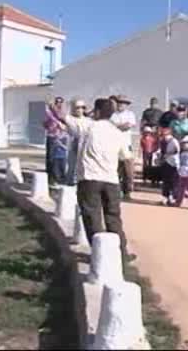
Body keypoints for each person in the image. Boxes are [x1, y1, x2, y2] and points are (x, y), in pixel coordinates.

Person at [74, 98, 134, 263]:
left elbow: (68, 120)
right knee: (113, 217)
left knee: (92, 216)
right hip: (111, 179)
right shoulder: (117, 132)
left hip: (90, 178)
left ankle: (99, 254)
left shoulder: (87, 127)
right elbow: (127, 158)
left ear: (97, 112)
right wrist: (129, 183)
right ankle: (121, 253)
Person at [110, 95, 136, 199]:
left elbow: (129, 125)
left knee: (128, 170)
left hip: (126, 144)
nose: (121, 104)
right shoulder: (113, 115)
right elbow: (111, 126)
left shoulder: (130, 114)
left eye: (123, 103)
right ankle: (116, 191)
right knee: (116, 170)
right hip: (114, 144)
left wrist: (117, 127)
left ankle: (127, 191)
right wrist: (120, 126)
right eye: (119, 102)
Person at [63, 98, 91, 186]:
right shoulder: (69, 118)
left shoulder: (88, 121)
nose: (80, 110)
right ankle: (70, 183)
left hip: (85, 146)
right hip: (72, 145)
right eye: (77, 107)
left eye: (83, 107)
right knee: (72, 165)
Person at [44, 96, 66, 186]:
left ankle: (59, 176)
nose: (59, 104)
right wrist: (50, 126)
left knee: (61, 158)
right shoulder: (48, 113)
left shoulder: (62, 113)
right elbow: (44, 124)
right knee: (51, 157)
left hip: (62, 137)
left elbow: (62, 118)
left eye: (61, 102)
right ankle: (50, 177)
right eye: (57, 102)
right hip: (52, 136)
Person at [158, 127, 180, 206]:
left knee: (173, 182)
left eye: (165, 134)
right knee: (165, 181)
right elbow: (161, 151)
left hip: (173, 163)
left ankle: (173, 198)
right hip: (165, 163)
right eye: (162, 134)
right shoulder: (162, 142)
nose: (164, 136)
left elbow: (177, 151)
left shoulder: (174, 141)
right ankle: (165, 197)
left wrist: (169, 154)